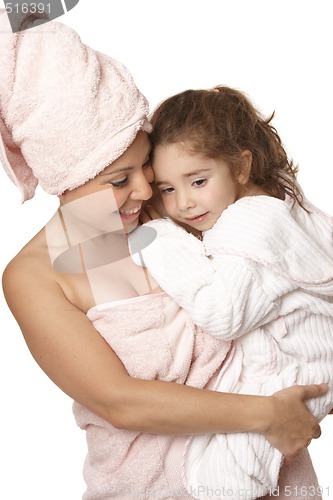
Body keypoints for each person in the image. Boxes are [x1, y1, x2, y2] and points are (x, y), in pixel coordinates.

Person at [0, 10, 327, 500]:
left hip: (268, 475)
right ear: (64, 180)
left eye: (145, 164)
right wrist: (270, 414)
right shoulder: (35, 278)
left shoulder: (171, 205)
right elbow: (119, 402)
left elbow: (284, 244)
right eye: (117, 180)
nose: (145, 188)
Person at [129, 86, 333, 499]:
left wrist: (158, 236)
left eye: (198, 181)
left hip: (287, 380)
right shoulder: (285, 201)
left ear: (241, 166)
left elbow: (221, 312)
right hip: (306, 366)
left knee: (220, 480)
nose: (184, 202)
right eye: (167, 189)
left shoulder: (251, 226)